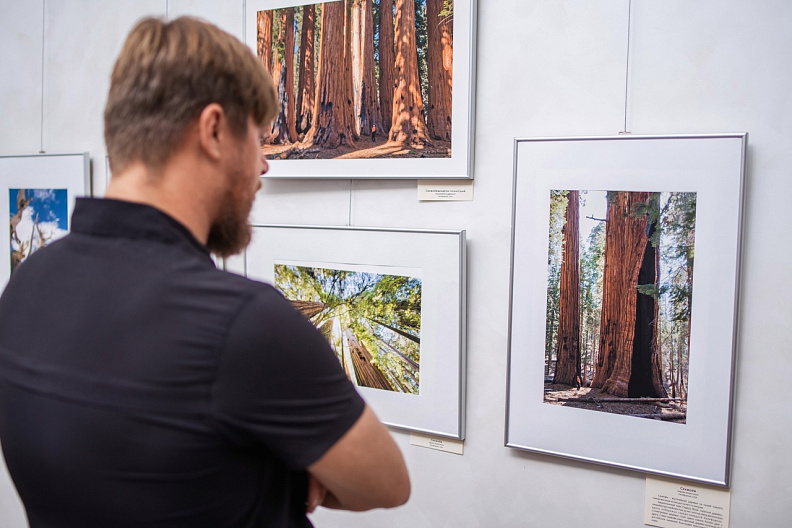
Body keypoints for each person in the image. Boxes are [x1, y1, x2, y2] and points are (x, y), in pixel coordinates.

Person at [0, 16, 409, 527]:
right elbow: (387, 483)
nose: (264, 165)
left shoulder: (25, 287)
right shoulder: (244, 322)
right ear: (214, 130)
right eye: (258, 138)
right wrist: (281, 470)